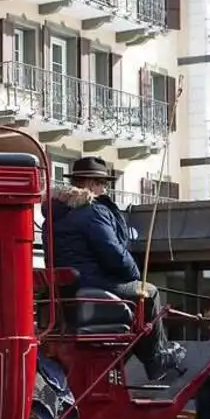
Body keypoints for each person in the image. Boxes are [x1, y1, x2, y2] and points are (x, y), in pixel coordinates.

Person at [46, 157, 186, 380]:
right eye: (102, 184)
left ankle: (140, 356)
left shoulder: (54, 217)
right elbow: (114, 255)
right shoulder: (92, 212)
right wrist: (134, 274)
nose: (105, 189)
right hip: (92, 286)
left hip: (68, 292)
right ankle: (156, 358)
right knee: (149, 292)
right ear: (91, 184)